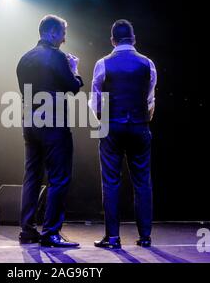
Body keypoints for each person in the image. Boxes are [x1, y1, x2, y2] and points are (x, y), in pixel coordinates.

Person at [89, 19, 157, 248]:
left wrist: (103, 118)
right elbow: (149, 99)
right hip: (140, 126)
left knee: (110, 182)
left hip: (112, 126)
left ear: (112, 40)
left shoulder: (102, 63)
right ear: (134, 39)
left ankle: (113, 237)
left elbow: (95, 101)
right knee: (142, 182)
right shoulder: (148, 63)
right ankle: (145, 237)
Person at [16, 14, 83, 247]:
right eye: (63, 34)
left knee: (32, 177)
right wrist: (74, 69)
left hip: (29, 123)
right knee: (59, 178)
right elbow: (73, 87)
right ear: (53, 32)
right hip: (53, 123)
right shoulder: (57, 57)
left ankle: (27, 231)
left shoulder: (24, 59)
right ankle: (51, 233)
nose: (64, 39)